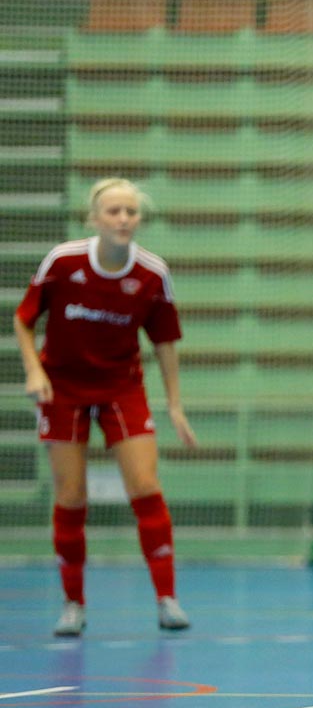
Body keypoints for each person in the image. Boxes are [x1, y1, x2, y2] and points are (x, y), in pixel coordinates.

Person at [14, 178, 197, 637]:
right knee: (71, 496)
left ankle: (167, 598)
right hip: (63, 390)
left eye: (130, 212)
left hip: (122, 388)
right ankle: (73, 603)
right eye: (113, 211)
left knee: (145, 486)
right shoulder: (63, 262)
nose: (123, 219)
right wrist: (35, 371)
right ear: (94, 218)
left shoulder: (152, 274)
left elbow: (165, 343)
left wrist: (174, 404)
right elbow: (23, 319)